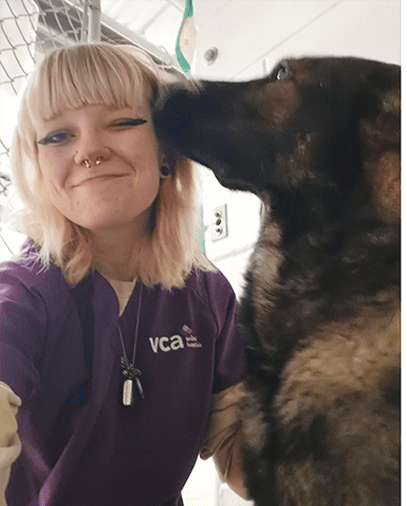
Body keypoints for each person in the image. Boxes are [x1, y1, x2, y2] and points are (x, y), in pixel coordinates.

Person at [0, 43, 248, 505]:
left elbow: (247, 460)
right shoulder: (21, 294)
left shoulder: (209, 294)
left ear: (166, 151)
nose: (90, 149)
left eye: (123, 122)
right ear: (34, 166)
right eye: (57, 136)